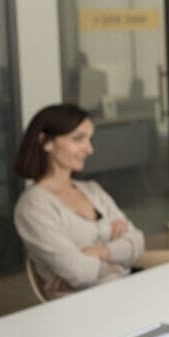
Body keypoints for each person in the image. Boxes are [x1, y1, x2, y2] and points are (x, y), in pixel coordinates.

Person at [13, 103, 146, 299]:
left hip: (124, 293)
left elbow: (138, 242)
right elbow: (79, 273)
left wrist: (98, 252)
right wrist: (117, 257)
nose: (89, 149)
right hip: (82, 309)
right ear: (45, 142)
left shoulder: (92, 190)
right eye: (78, 139)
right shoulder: (33, 207)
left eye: (90, 139)